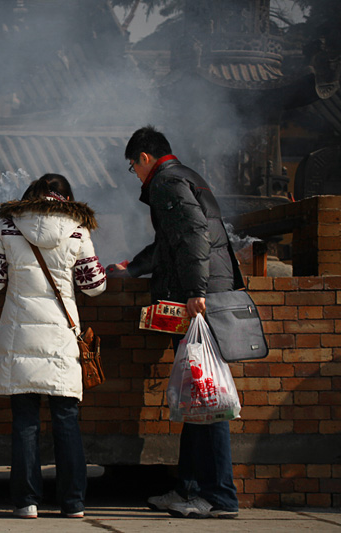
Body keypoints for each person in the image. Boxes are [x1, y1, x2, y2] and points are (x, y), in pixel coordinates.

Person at [107, 126, 244, 519]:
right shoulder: (185, 176)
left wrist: (195, 291)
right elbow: (171, 243)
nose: (135, 174)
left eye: (133, 167)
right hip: (205, 294)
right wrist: (133, 268)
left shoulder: (166, 182)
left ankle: (219, 497)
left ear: (145, 158)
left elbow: (194, 234)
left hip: (201, 302)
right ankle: (188, 487)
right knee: (196, 398)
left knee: (207, 399)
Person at [0, 173, 107, 519]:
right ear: (67, 197)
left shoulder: (9, 226)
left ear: (32, 195)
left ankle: (26, 501)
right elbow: (94, 285)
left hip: (20, 338)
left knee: (25, 422)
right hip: (63, 339)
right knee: (66, 420)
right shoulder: (79, 229)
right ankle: (74, 503)